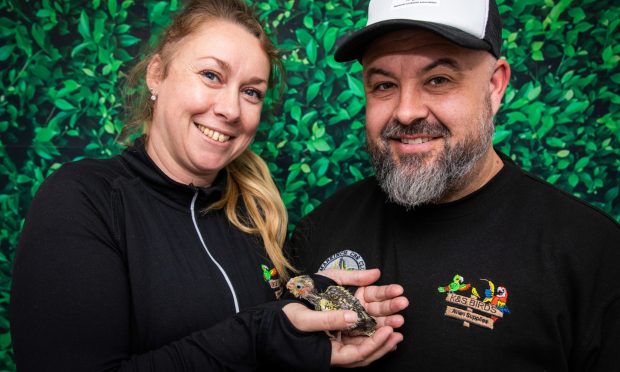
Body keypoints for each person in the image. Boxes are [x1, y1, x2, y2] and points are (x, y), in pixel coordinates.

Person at [9, 0, 407, 370]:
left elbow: (264, 328)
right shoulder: (84, 199)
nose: (230, 109)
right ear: (156, 75)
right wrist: (261, 334)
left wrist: (309, 301)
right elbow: (255, 334)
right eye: (211, 75)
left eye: (251, 92)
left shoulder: (253, 213)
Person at [290, 0, 620, 370]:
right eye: (384, 84)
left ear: (495, 87)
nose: (406, 111)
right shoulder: (319, 232)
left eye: (438, 80)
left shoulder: (591, 251)